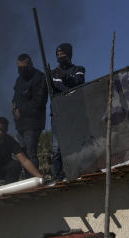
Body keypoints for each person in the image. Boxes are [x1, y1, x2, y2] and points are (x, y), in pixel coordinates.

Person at [50, 43, 85, 181]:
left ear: (69, 55)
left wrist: (65, 77)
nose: (60, 57)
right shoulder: (52, 73)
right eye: (58, 55)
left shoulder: (79, 69)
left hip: (73, 112)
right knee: (56, 148)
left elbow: (78, 83)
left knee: (75, 144)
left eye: (62, 54)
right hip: (57, 114)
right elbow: (54, 90)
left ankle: (77, 172)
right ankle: (58, 177)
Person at [12, 53, 47, 178]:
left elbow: (39, 102)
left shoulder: (39, 78)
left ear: (30, 65)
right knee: (21, 154)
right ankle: (25, 178)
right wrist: (15, 108)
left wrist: (20, 110)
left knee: (31, 153)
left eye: (24, 67)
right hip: (20, 124)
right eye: (19, 68)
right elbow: (15, 98)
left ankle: (34, 178)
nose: (21, 70)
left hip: (33, 123)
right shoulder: (19, 80)